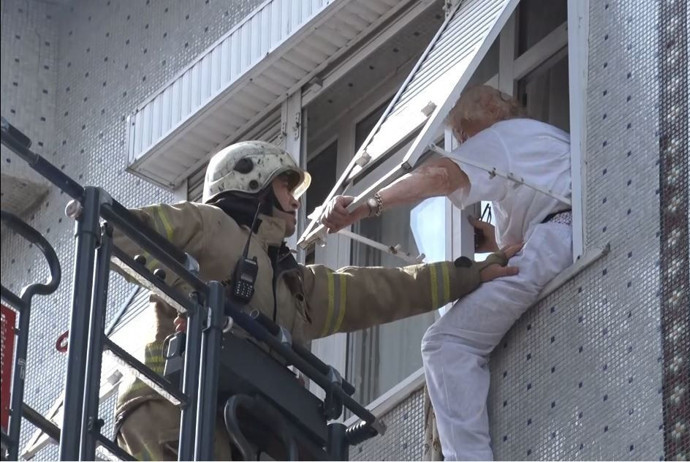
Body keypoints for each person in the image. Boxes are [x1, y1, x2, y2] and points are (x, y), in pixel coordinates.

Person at [108, 140, 522, 460]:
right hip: (162, 402)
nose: (296, 199)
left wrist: (468, 275)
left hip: (218, 415)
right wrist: (115, 231)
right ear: (252, 182)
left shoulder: (291, 286)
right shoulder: (210, 225)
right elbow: (132, 231)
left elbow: (381, 290)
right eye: (286, 185)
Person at [320, 85, 572, 460]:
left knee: (444, 345)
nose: (460, 140)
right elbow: (529, 223)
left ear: (489, 110)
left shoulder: (500, 137)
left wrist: (366, 206)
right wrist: (490, 244)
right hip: (564, 232)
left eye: (462, 129)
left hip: (556, 236)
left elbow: (438, 176)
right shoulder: (538, 139)